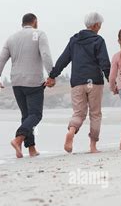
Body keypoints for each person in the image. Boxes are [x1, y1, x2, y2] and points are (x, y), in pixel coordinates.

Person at [46, 12, 111, 153]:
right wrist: (110, 80)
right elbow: (104, 62)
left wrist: (52, 75)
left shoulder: (74, 40)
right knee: (95, 114)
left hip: (77, 82)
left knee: (78, 113)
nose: (100, 28)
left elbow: (63, 59)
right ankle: (93, 146)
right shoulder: (98, 40)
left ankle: (71, 131)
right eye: (100, 25)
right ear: (95, 25)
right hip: (94, 82)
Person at [0, 13, 54, 158]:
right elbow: (45, 55)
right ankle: (18, 139)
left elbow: (1, 59)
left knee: (26, 116)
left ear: (23, 23)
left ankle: (31, 149)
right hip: (33, 81)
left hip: (16, 82)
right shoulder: (39, 34)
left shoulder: (11, 38)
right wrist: (51, 75)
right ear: (35, 22)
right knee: (36, 115)